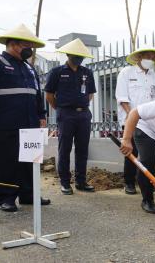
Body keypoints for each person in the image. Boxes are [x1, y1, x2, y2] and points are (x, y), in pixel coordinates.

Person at [0, 24, 50, 212]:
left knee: (30, 160)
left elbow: (36, 94)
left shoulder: (29, 69)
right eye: (27, 45)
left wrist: (41, 115)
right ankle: (6, 197)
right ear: (14, 44)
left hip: (30, 123)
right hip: (5, 124)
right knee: (6, 161)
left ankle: (28, 195)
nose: (30, 50)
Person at [45, 38, 97, 195]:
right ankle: (65, 182)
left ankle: (81, 181)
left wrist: (80, 106)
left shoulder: (87, 73)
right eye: (75, 54)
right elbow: (49, 95)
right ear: (68, 54)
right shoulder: (57, 72)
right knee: (65, 149)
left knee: (82, 149)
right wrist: (61, 108)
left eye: (81, 55)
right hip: (66, 114)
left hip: (84, 115)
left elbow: (90, 94)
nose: (78, 58)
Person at [115, 46, 155, 195]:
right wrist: (133, 115)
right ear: (139, 57)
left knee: (147, 153)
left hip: (150, 121)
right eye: (148, 57)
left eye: (153, 58)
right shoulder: (126, 73)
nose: (150, 60)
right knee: (131, 149)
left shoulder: (153, 76)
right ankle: (129, 182)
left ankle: (145, 181)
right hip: (130, 118)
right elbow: (122, 98)